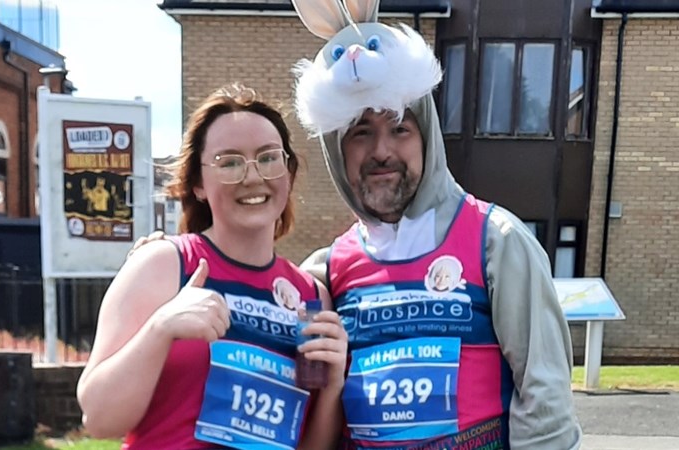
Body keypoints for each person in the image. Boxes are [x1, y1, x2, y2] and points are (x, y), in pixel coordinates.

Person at [290, 0, 583, 448]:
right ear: (337, 150)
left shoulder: (497, 242)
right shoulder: (324, 273)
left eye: (399, 128)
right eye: (361, 132)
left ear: (427, 135)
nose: (381, 151)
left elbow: (545, 404)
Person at [77, 84, 348, 450]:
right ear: (198, 184)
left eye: (268, 157)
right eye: (229, 162)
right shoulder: (162, 264)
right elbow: (99, 418)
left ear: (289, 173)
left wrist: (332, 388)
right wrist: (160, 328)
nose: (252, 177)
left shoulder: (310, 298)